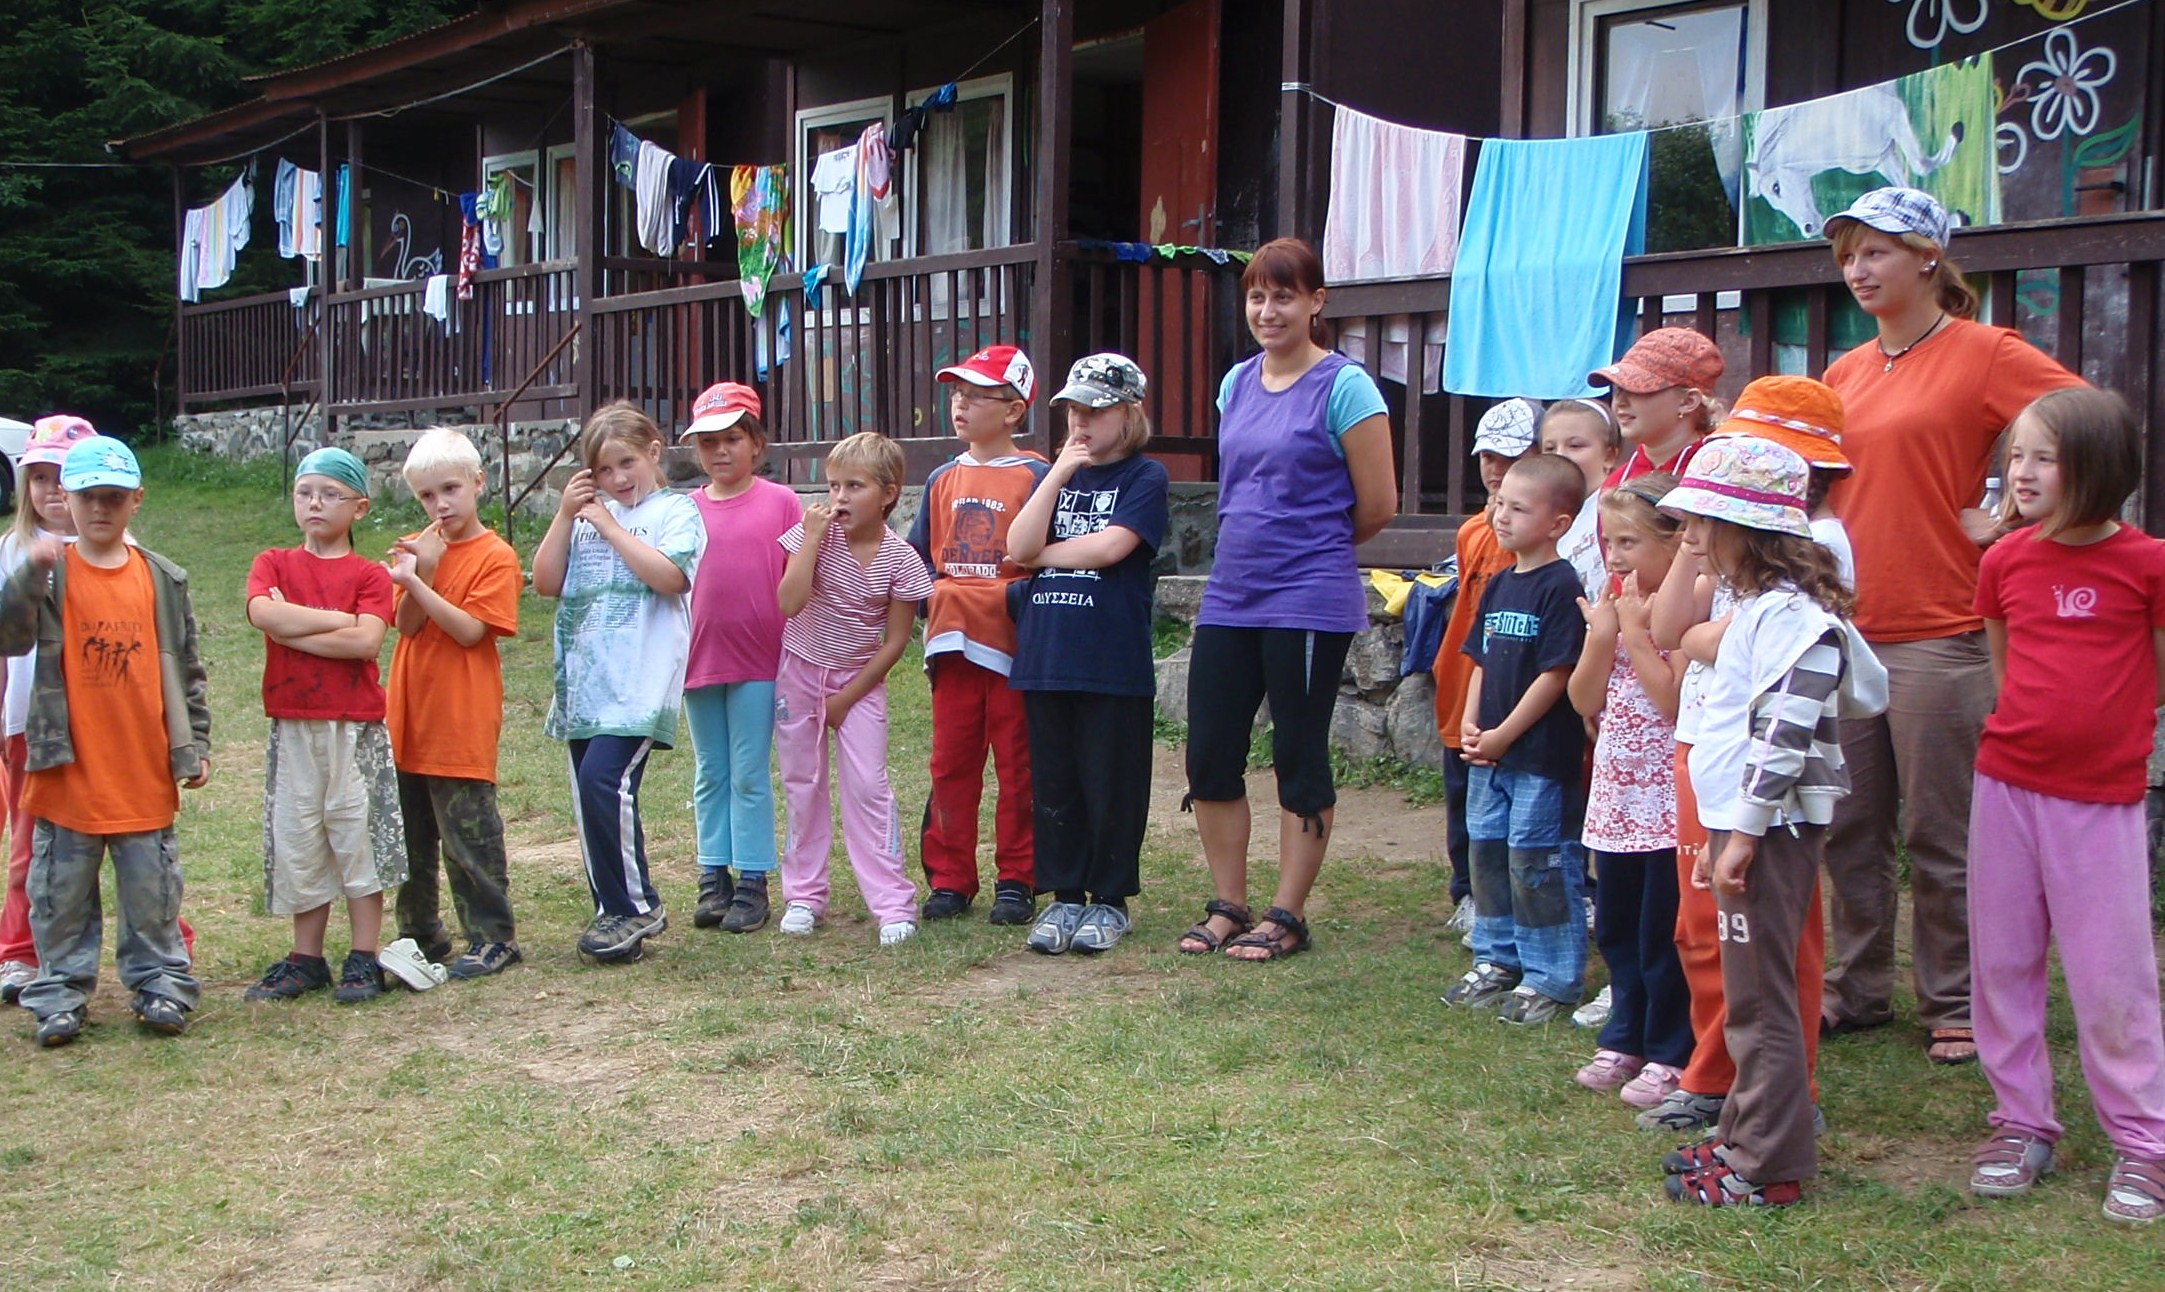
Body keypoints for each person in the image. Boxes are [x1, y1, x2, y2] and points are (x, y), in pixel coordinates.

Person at [1818, 187, 2081, 1065]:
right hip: (1846, 629)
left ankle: (1955, 1000)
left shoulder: (1984, 352)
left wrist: (2009, 512)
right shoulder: (1844, 373)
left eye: (1875, 252)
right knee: (1848, 826)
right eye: (1847, 255)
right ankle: (1856, 989)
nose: (1856, 270)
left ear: (1927, 257)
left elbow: (2085, 425)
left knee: (1943, 835)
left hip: (1942, 629)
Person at [1655, 435, 1885, 1208]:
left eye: (1702, 522)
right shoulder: (1761, 612)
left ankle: (1769, 1166)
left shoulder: (1793, 618)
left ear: (1744, 530)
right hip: (1742, 825)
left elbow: (1786, 732)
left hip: (1768, 831)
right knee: (1747, 993)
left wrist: (1745, 833)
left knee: (1762, 998)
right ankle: (1743, 1135)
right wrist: (1725, 831)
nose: (1689, 536)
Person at [1963, 387, 2165, 1224]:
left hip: (2101, 800)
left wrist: (2104, 734)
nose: (2022, 472)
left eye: (2043, 457)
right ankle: (2020, 1122)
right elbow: (2004, 668)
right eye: (2016, 455)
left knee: (2111, 975)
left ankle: (2143, 1143)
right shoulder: (2003, 561)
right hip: (2005, 787)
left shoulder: (2148, 564)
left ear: (2098, 467)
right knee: (2002, 963)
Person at [1640, 376, 1853, 1134]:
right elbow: (1673, 631)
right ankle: (1715, 1072)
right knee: (1704, 926)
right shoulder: (1720, 545)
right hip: (1704, 747)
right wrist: (1696, 539)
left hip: (1759, 773)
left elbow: (1729, 645)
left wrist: (1705, 635)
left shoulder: (1812, 549)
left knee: (1773, 937)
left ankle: (1783, 1093)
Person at [1177, 237, 1397, 962]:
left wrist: (1311, 545)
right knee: (1210, 753)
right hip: (1231, 593)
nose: (1267, 311)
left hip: (1307, 596)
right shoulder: (1235, 383)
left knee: (1298, 754)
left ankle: (1287, 914)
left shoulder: (1345, 387)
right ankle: (1228, 905)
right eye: (1256, 297)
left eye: (1283, 297)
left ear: (1315, 302)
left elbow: (1377, 504)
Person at [0, 438, 211, 1046]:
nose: (99, 509)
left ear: (135, 501)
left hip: (142, 768)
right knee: (60, 897)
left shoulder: (162, 577)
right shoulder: (49, 573)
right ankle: (59, 995)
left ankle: (161, 985)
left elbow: (188, 668)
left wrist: (195, 741)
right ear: (66, 499)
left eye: (113, 498)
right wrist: (30, 573)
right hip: (67, 769)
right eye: (88, 496)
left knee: (153, 894)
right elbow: (9, 635)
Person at [1005, 354, 1170, 955]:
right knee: (1055, 783)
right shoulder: (1058, 477)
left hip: (1109, 660)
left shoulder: (1145, 476)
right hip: (1046, 656)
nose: (1081, 421)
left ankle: (1110, 898)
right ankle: (1065, 894)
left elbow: (1111, 547)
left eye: (1096, 410)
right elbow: (1018, 543)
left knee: (1111, 783)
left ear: (1129, 414)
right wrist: (1056, 475)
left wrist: (1042, 556)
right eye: (1074, 409)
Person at [534, 402, 706, 965]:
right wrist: (566, 516)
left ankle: (636, 906)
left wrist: (609, 526)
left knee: (606, 782)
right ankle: (612, 909)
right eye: (604, 470)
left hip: (638, 685)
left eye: (626, 462)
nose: (617, 478)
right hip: (585, 685)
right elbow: (545, 582)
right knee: (590, 795)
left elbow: (670, 577)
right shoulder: (584, 518)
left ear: (653, 452)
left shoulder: (675, 511)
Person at [242, 447, 407, 1004]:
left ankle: (363, 956)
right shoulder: (273, 563)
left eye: (330, 494)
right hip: (294, 721)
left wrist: (293, 628)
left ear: (359, 507)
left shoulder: (369, 574)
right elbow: (262, 613)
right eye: (305, 493)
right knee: (300, 834)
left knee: (357, 833)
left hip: (353, 726)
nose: (315, 503)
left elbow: (366, 641)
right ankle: (306, 958)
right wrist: (336, 622)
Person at [1441, 453, 1588, 1022]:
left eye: (1519, 508)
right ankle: (1497, 957)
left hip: (1537, 758)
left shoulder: (1561, 586)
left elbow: (1557, 674)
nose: (1501, 516)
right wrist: (1472, 723)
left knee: (1536, 861)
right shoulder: (1501, 582)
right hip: (1489, 755)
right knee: (1488, 854)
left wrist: (1504, 735)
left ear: (1558, 523)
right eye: (1500, 503)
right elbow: (1479, 658)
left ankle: (1550, 976)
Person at [774, 432, 934, 946]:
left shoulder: (902, 559)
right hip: (800, 672)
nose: (840, 497)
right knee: (803, 783)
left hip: (860, 683)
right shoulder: (812, 538)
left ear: (889, 494)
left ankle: (892, 904)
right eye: (833, 486)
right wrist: (811, 541)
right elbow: (789, 604)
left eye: (855, 486)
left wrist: (847, 697)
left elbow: (896, 641)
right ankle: (804, 895)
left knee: (868, 786)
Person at [908, 344, 1049, 926]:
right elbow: (917, 558)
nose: (960, 405)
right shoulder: (941, 477)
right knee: (951, 764)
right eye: (956, 394)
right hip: (952, 645)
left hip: (1015, 647)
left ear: (1014, 410)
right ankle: (950, 878)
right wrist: (928, 603)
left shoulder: (1037, 476)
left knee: (1019, 766)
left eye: (977, 395)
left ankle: (1018, 877)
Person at [1568, 474, 1690, 1106]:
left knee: (1661, 929)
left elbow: (1671, 701)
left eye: (1629, 542)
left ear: (1674, 543)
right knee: (1618, 924)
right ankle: (1625, 1035)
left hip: (1668, 799)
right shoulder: (1614, 600)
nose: (1613, 556)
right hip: (1617, 795)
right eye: (1607, 541)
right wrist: (1601, 636)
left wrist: (1636, 634)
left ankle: (1671, 1048)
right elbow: (1583, 699)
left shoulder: (1686, 609)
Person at [386, 428, 525, 979]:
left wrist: (422, 581)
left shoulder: (496, 556)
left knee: (468, 837)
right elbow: (405, 625)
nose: (440, 504)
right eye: (427, 495)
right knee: (410, 838)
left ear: (477, 482)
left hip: (460, 718)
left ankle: (493, 935)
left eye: (450, 489)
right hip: (410, 715)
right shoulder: (417, 547)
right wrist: (420, 569)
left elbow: (470, 631)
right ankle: (420, 932)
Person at [679, 382, 800, 934]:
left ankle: (753, 877)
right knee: (711, 770)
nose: (720, 451)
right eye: (708, 442)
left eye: (732, 438)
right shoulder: (684, 510)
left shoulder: (781, 502)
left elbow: (798, 575)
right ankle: (713, 875)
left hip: (760, 659)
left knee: (749, 772)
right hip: (699, 658)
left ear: (756, 443)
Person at [1434, 400, 1539, 943]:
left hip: (1519, 680)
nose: (1496, 469)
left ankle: (1535, 899)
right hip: (1465, 680)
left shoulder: (1545, 534)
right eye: (1487, 457)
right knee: (1465, 796)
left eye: (1510, 456)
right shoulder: (1473, 531)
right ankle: (1469, 893)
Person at [1590, 327, 1725, 489]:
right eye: (1619, 389)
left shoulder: (1721, 475)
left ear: (1688, 401)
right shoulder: (1616, 482)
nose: (1621, 402)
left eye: (1638, 389)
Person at [1540, 399, 1621, 596]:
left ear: (1609, 456)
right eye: (1550, 448)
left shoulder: (1619, 511)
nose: (1560, 455)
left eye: (1575, 446)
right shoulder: (1539, 515)